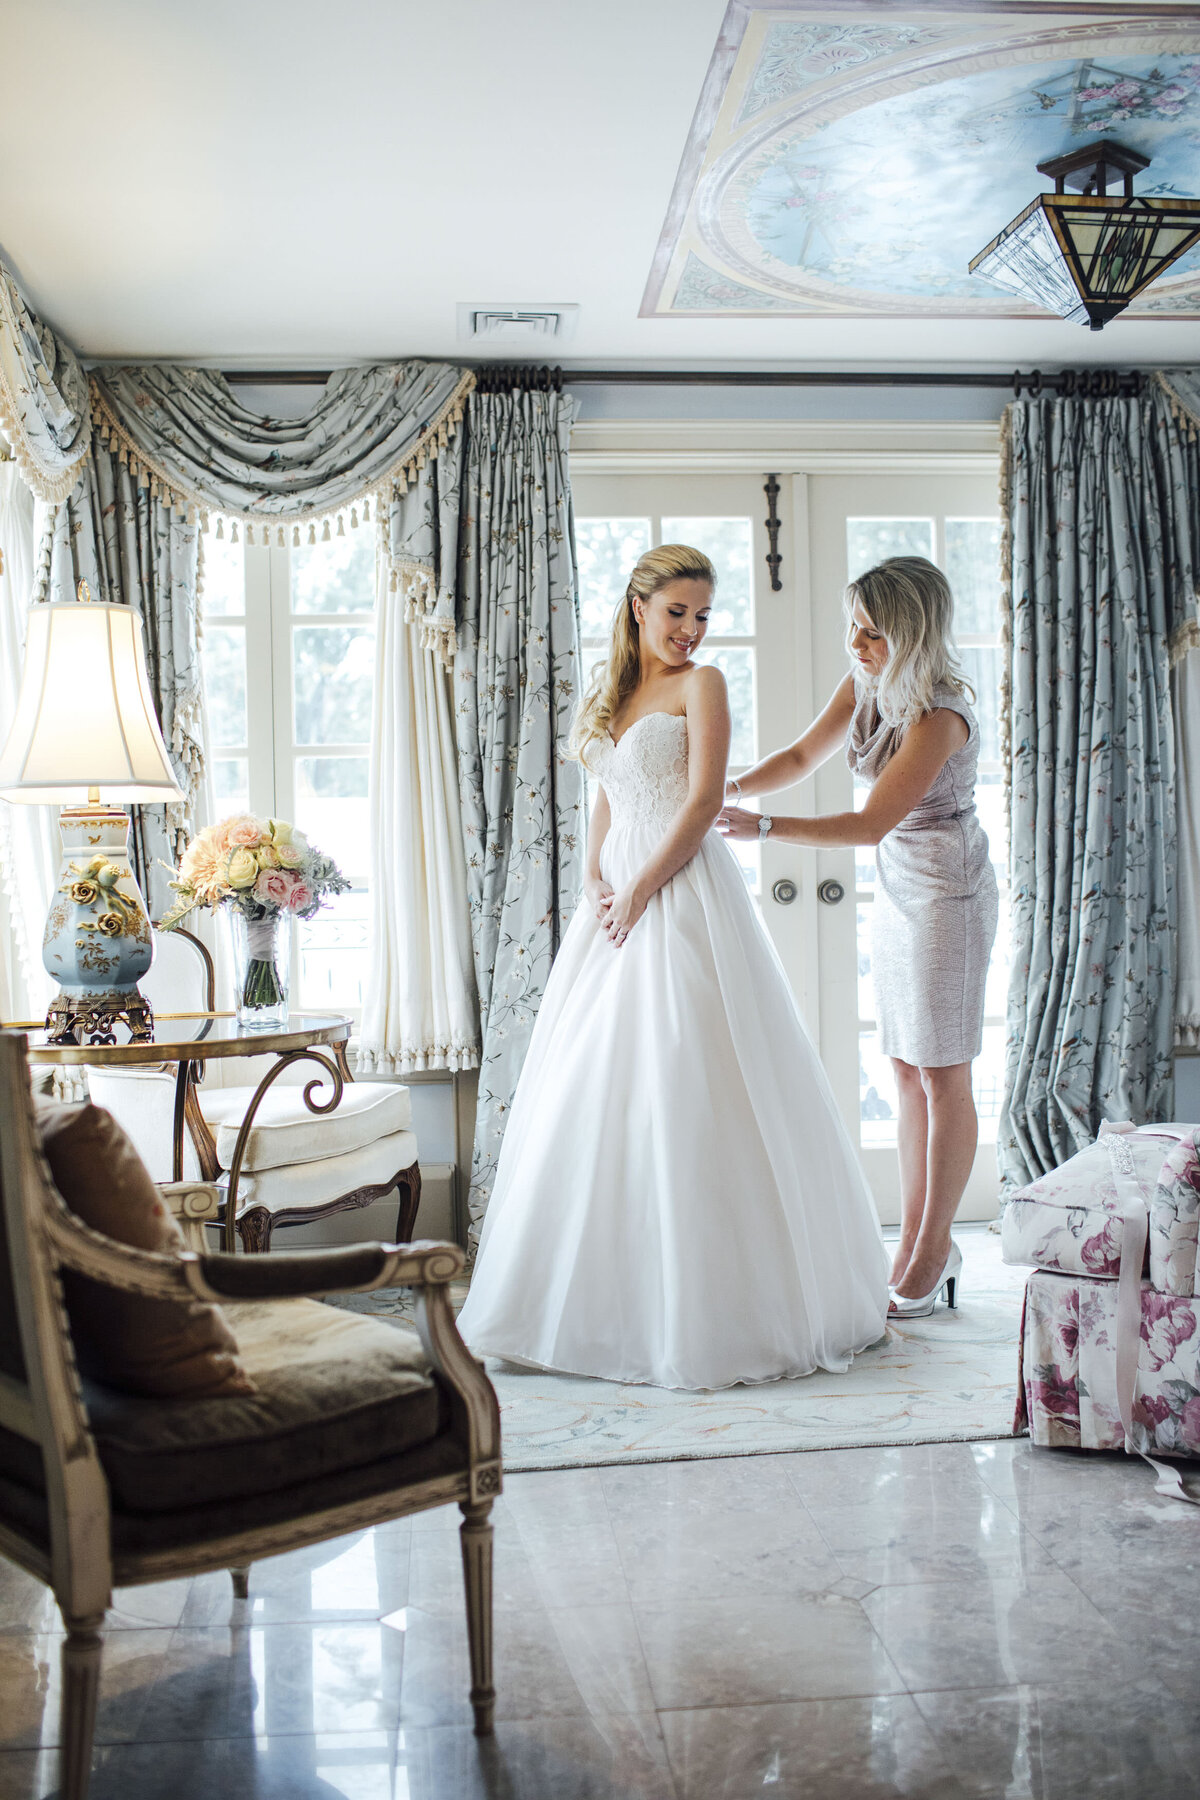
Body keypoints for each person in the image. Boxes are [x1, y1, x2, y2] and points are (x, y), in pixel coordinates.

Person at [456, 543, 889, 1391]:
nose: (690, 630)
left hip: (681, 895)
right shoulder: (615, 692)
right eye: (676, 613)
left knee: (691, 1078)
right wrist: (595, 877)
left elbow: (701, 802)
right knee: (597, 1090)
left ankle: (714, 1311)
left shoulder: (705, 686)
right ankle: (585, 1307)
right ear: (637, 607)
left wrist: (643, 887)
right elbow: (608, 797)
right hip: (614, 900)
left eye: (702, 616)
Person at [719, 555, 998, 1319]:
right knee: (906, 1068)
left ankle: (935, 1249)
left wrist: (763, 828)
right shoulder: (866, 681)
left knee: (946, 1073)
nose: (858, 643)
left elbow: (870, 820)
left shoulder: (942, 714)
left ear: (911, 635)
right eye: (854, 627)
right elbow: (804, 755)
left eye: (873, 633)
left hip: (949, 892)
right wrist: (728, 787)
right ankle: (912, 1240)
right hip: (899, 888)